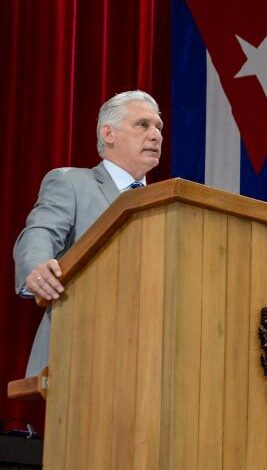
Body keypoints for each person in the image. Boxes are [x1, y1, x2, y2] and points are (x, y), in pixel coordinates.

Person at [14, 90, 163, 376]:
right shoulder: (72, 182)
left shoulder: (166, 202)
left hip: (150, 356)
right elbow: (40, 232)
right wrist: (37, 266)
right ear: (109, 133)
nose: (155, 135)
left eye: (158, 127)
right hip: (81, 348)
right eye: (143, 125)